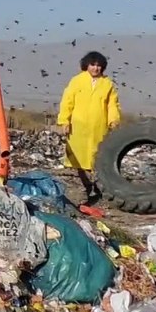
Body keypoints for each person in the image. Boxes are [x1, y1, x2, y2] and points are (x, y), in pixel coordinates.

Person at [56, 50, 121, 205]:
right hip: (78, 127)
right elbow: (67, 101)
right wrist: (64, 121)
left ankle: (100, 191)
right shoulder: (76, 81)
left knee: (98, 159)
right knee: (78, 160)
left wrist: (114, 121)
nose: (95, 68)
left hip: (98, 127)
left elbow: (112, 104)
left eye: (98, 66)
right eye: (92, 65)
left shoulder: (107, 84)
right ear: (86, 65)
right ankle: (83, 190)